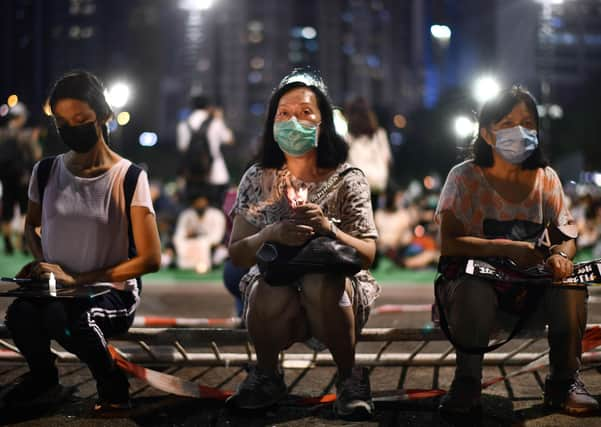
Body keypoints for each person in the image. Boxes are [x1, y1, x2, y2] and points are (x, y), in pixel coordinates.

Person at [3, 71, 161, 412]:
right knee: (20, 315)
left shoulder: (129, 177)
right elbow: (32, 226)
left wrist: (79, 280)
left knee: (72, 320)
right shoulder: (45, 172)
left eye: (80, 120)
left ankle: (112, 382)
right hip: (58, 290)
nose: (71, 129)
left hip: (110, 292)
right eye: (62, 121)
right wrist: (41, 262)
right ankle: (44, 378)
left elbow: (151, 259)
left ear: (103, 116)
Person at [227, 68, 380, 420]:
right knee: (270, 287)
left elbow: (368, 254)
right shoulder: (257, 177)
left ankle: (348, 377)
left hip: (338, 291)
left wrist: (329, 229)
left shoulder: (347, 178)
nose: (293, 120)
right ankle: (266, 375)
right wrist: (270, 233)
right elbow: (237, 252)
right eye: (284, 113)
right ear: (271, 123)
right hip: (275, 284)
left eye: (305, 112)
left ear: (323, 123)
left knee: (321, 281)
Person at [435, 86, 598, 416]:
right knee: (473, 287)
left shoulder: (546, 179)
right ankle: (467, 382)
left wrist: (560, 256)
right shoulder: (464, 178)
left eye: (527, 122)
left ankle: (563, 383)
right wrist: (510, 249)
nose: (519, 131)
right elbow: (450, 243)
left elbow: (566, 235)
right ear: (487, 134)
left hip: (529, 293)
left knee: (570, 287)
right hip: (472, 295)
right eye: (507, 122)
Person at [176, 93, 234, 208]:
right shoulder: (215, 122)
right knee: (216, 210)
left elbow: (183, 149)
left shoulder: (184, 125)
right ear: (209, 107)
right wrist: (220, 118)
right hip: (216, 175)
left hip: (192, 176)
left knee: (192, 211)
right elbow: (230, 140)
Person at [0, 102, 41, 254]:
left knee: (7, 211)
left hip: (6, 178)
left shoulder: (2, 134)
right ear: (21, 117)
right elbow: (36, 154)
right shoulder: (25, 135)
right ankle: (24, 244)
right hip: (22, 179)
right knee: (25, 211)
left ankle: (8, 244)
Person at [344, 97, 392, 211]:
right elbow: (387, 159)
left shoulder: (348, 138)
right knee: (372, 215)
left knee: (357, 217)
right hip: (376, 182)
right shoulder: (379, 135)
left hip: (357, 184)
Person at [172, 193, 226, 273]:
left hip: (212, 247)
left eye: (202, 202)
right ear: (193, 204)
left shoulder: (216, 215)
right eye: (198, 202)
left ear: (207, 203)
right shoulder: (186, 215)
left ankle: (213, 263)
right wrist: (189, 235)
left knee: (221, 252)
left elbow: (217, 237)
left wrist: (203, 240)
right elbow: (179, 235)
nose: (200, 204)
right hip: (190, 244)